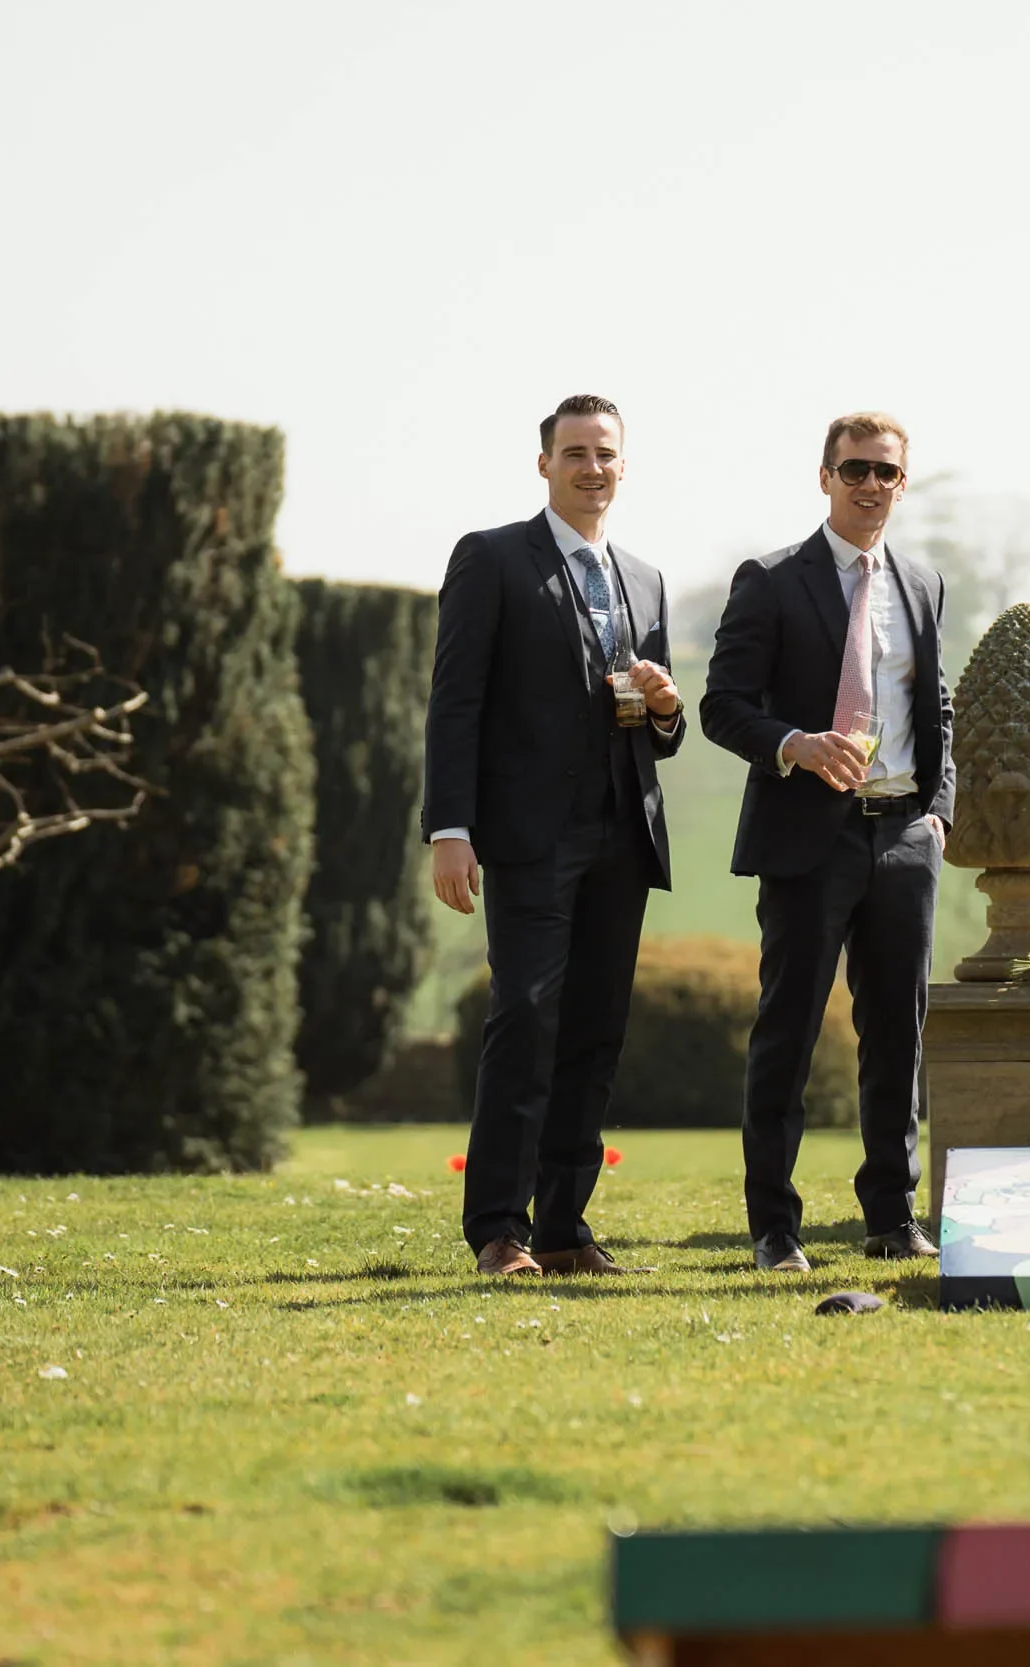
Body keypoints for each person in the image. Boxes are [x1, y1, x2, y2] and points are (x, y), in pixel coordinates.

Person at [423, 395, 687, 1278]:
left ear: (623, 465)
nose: (591, 466)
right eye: (574, 451)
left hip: (623, 832)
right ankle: (500, 1226)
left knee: (595, 1029)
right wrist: (449, 828)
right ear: (544, 465)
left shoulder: (643, 578)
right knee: (527, 1016)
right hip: (531, 835)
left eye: (605, 452)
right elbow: (455, 702)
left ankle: (567, 1225)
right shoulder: (492, 558)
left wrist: (666, 708)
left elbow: (662, 723)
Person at [700, 413, 956, 1274]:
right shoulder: (770, 580)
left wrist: (939, 812)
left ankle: (892, 1212)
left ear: (901, 483)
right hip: (809, 837)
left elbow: (939, 709)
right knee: (791, 1032)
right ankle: (775, 1225)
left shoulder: (922, 583)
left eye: (885, 471)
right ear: (824, 477)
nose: (869, 484)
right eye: (854, 469)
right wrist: (796, 745)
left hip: (904, 839)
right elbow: (722, 704)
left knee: (900, 1036)